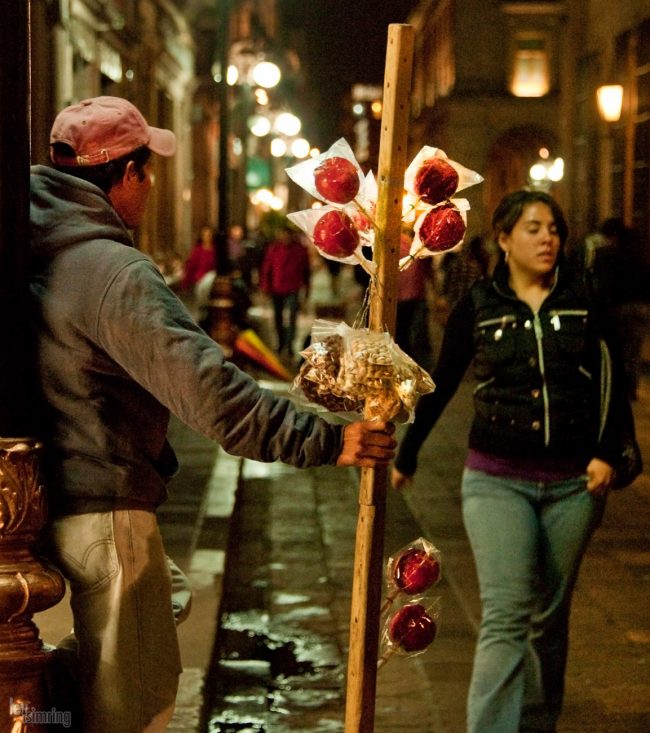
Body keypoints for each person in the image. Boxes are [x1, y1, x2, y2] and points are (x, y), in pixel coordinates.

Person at [29, 96, 396, 733]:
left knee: (151, 613)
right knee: (134, 708)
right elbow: (211, 392)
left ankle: (57, 696)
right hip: (105, 508)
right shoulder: (114, 272)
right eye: (149, 173)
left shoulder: (35, 247)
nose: (150, 188)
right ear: (127, 175)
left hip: (46, 507)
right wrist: (325, 440)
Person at [391, 189, 635, 733]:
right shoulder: (479, 304)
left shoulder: (583, 297)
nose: (548, 237)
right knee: (505, 614)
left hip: (575, 485)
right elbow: (442, 380)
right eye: (533, 227)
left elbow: (616, 379)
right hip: (496, 481)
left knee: (548, 619)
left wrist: (605, 453)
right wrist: (408, 453)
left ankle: (537, 721)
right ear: (503, 239)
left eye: (554, 228)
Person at [259, 224, 311, 357]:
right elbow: (267, 268)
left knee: (292, 318)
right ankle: (281, 343)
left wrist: (306, 290)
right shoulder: (274, 249)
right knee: (278, 317)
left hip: (293, 288)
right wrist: (265, 287)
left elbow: (306, 271)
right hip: (276, 288)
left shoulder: (300, 250)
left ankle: (289, 345)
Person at [395, 232, 435, 372]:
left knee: (407, 335)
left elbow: (427, 270)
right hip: (409, 296)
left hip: (407, 297)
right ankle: (411, 368)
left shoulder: (412, 243)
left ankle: (410, 368)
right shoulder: (411, 243)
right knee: (407, 335)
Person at [181, 223, 217, 292]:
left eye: (209, 235)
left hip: (212, 281)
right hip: (199, 281)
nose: (207, 237)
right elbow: (191, 267)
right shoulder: (197, 250)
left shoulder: (215, 250)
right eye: (204, 235)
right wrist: (185, 283)